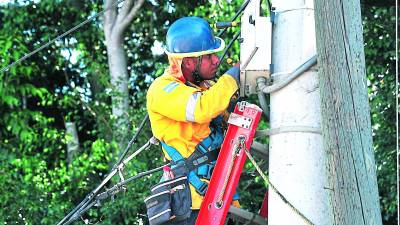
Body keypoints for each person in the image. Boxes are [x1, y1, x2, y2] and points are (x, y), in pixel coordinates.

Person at [146, 16, 240, 225]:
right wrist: (234, 76)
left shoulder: (203, 88)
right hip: (191, 206)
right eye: (208, 56)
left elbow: (225, 120)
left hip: (219, 196)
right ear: (188, 62)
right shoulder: (162, 90)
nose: (217, 60)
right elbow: (201, 108)